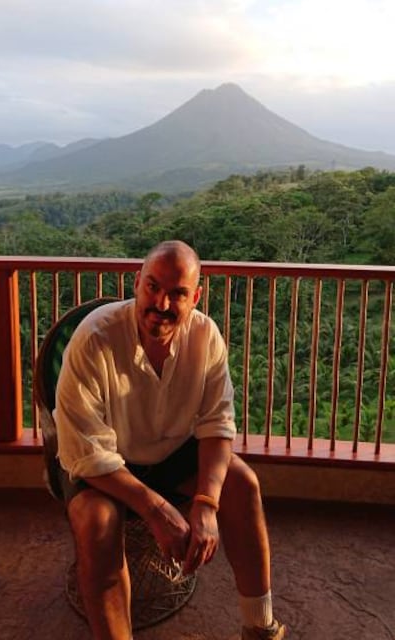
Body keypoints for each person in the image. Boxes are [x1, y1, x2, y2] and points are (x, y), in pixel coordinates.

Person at [54, 240, 286, 640]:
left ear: (195, 296)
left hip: (170, 453)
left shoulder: (205, 336)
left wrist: (206, 504)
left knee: (242, 483)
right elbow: (86, 453)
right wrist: (158, 510)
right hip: (105, 465)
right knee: (98, 523)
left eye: (177, 293)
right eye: (153, 287)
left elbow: (216, 424)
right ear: (137, 283)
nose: (161, 303)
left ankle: (260, 626)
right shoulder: (95, 339)